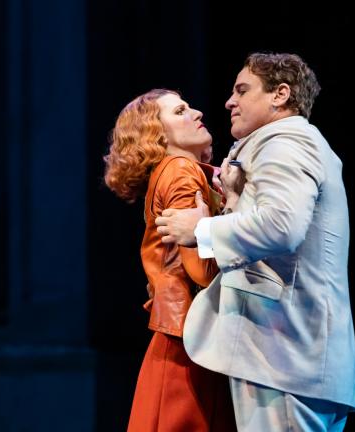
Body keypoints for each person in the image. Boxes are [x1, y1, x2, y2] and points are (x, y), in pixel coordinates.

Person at [154, 53, 355, 431]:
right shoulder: (290, 144)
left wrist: (200, 229)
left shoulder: (286, 142)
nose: (229, 102)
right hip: (294, 357)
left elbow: (282, 226)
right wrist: (234, 199)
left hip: (284, 358)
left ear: (280, 95)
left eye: (242, 90)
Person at [103, 89, 236, 431]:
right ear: (158, 136)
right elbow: (203, 272)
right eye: (179, 111)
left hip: (182, 338)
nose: (196, 112)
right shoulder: (180, 170)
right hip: (188, 342)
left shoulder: (176, 170)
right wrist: (212, 224)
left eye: (189, 105)